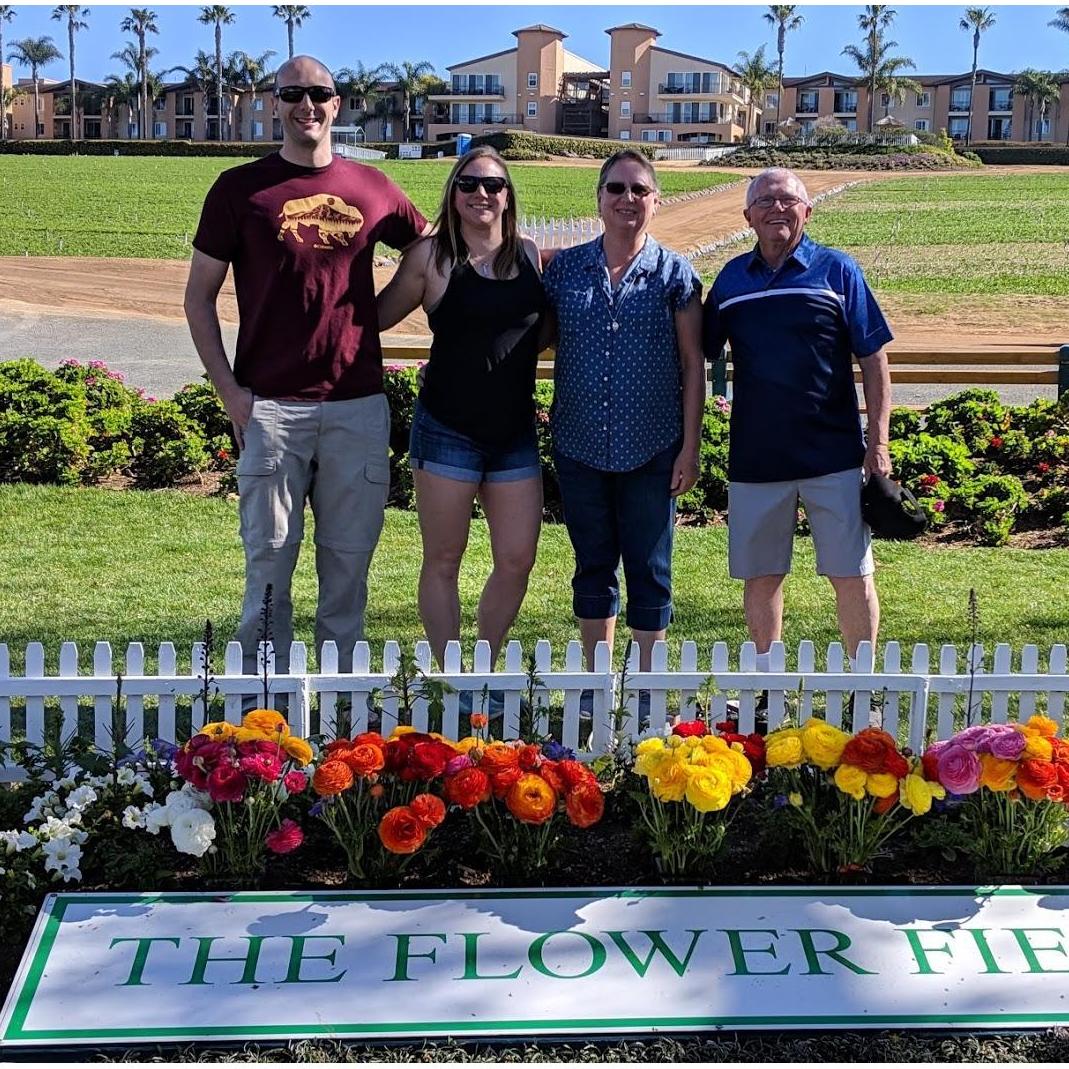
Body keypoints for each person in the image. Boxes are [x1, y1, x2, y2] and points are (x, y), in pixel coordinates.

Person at [183, 55, 428, 675]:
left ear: (337, 103)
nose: (307, 105)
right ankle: (259, 711)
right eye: (293, 93)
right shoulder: (240, 189)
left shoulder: (373, 188)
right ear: (275, 102)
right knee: (268, 566)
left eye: (319, 92)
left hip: (357, 405)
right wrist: (230, 394)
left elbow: (427, 250)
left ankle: (338, 715)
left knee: (347, 568)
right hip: (270, 407)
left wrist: (376, 314)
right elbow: (198, 296)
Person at [702, 166, 893, 678]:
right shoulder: (729, 282)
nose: (777, 209)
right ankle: (768, 688)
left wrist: (878, 445)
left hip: (832, 454)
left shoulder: (838, 271)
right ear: (747, 216)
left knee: (851, 573)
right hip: (756, 459)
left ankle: (862, 685)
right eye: (765, 201)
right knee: (762, 577)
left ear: (807, 211)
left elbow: (874, 360)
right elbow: (692, 349)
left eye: (789, 200)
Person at [376, 147, 546, 669]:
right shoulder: (431, 258)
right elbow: (373, 318)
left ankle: (484, 667)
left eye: (494, 185)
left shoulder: (530, 255)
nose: (482, 194)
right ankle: (449, 676)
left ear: (508, 195)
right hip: (447, 428)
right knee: (444, 558)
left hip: (513, 432)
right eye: (469, 184)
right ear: (453, 191)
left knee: (517, 559)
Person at [542, 149, 704, 674]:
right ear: (599, 199)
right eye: (616, 188)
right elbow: (523, 335)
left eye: (639, 190)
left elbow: (692, 362)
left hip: (652, 445)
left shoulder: (675, 274)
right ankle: (596, 679)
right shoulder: (565, 269)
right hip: (580, 442)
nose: (627, 199)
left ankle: (648, 683)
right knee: (592, 565)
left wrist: (690, 446)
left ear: (656, 202)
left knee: (650, 566)